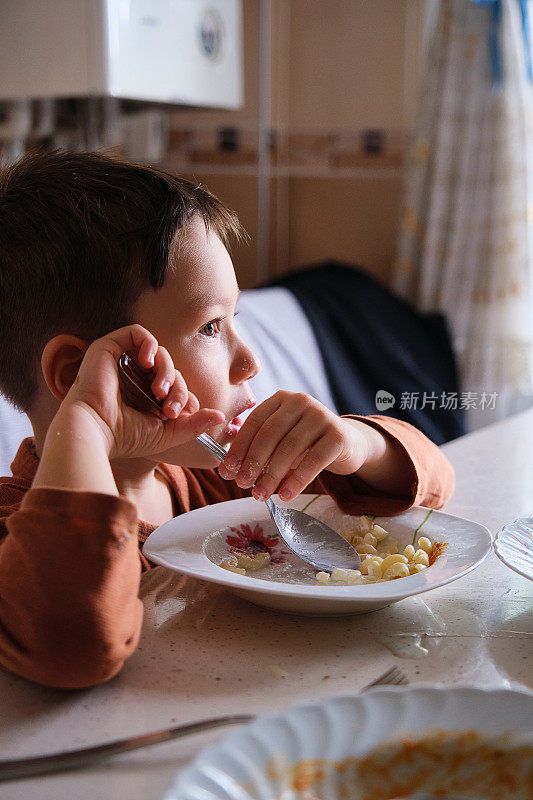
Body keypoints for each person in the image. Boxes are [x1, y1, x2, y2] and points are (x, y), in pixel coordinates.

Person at [0, 151, 454, 689]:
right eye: (212, 328)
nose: (249, 361)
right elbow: (74, 646)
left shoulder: (222, 480)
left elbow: (433, 486)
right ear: (81, 371)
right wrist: (85, 427)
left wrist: (355, 444)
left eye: (233, 319)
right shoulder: (19, 539)